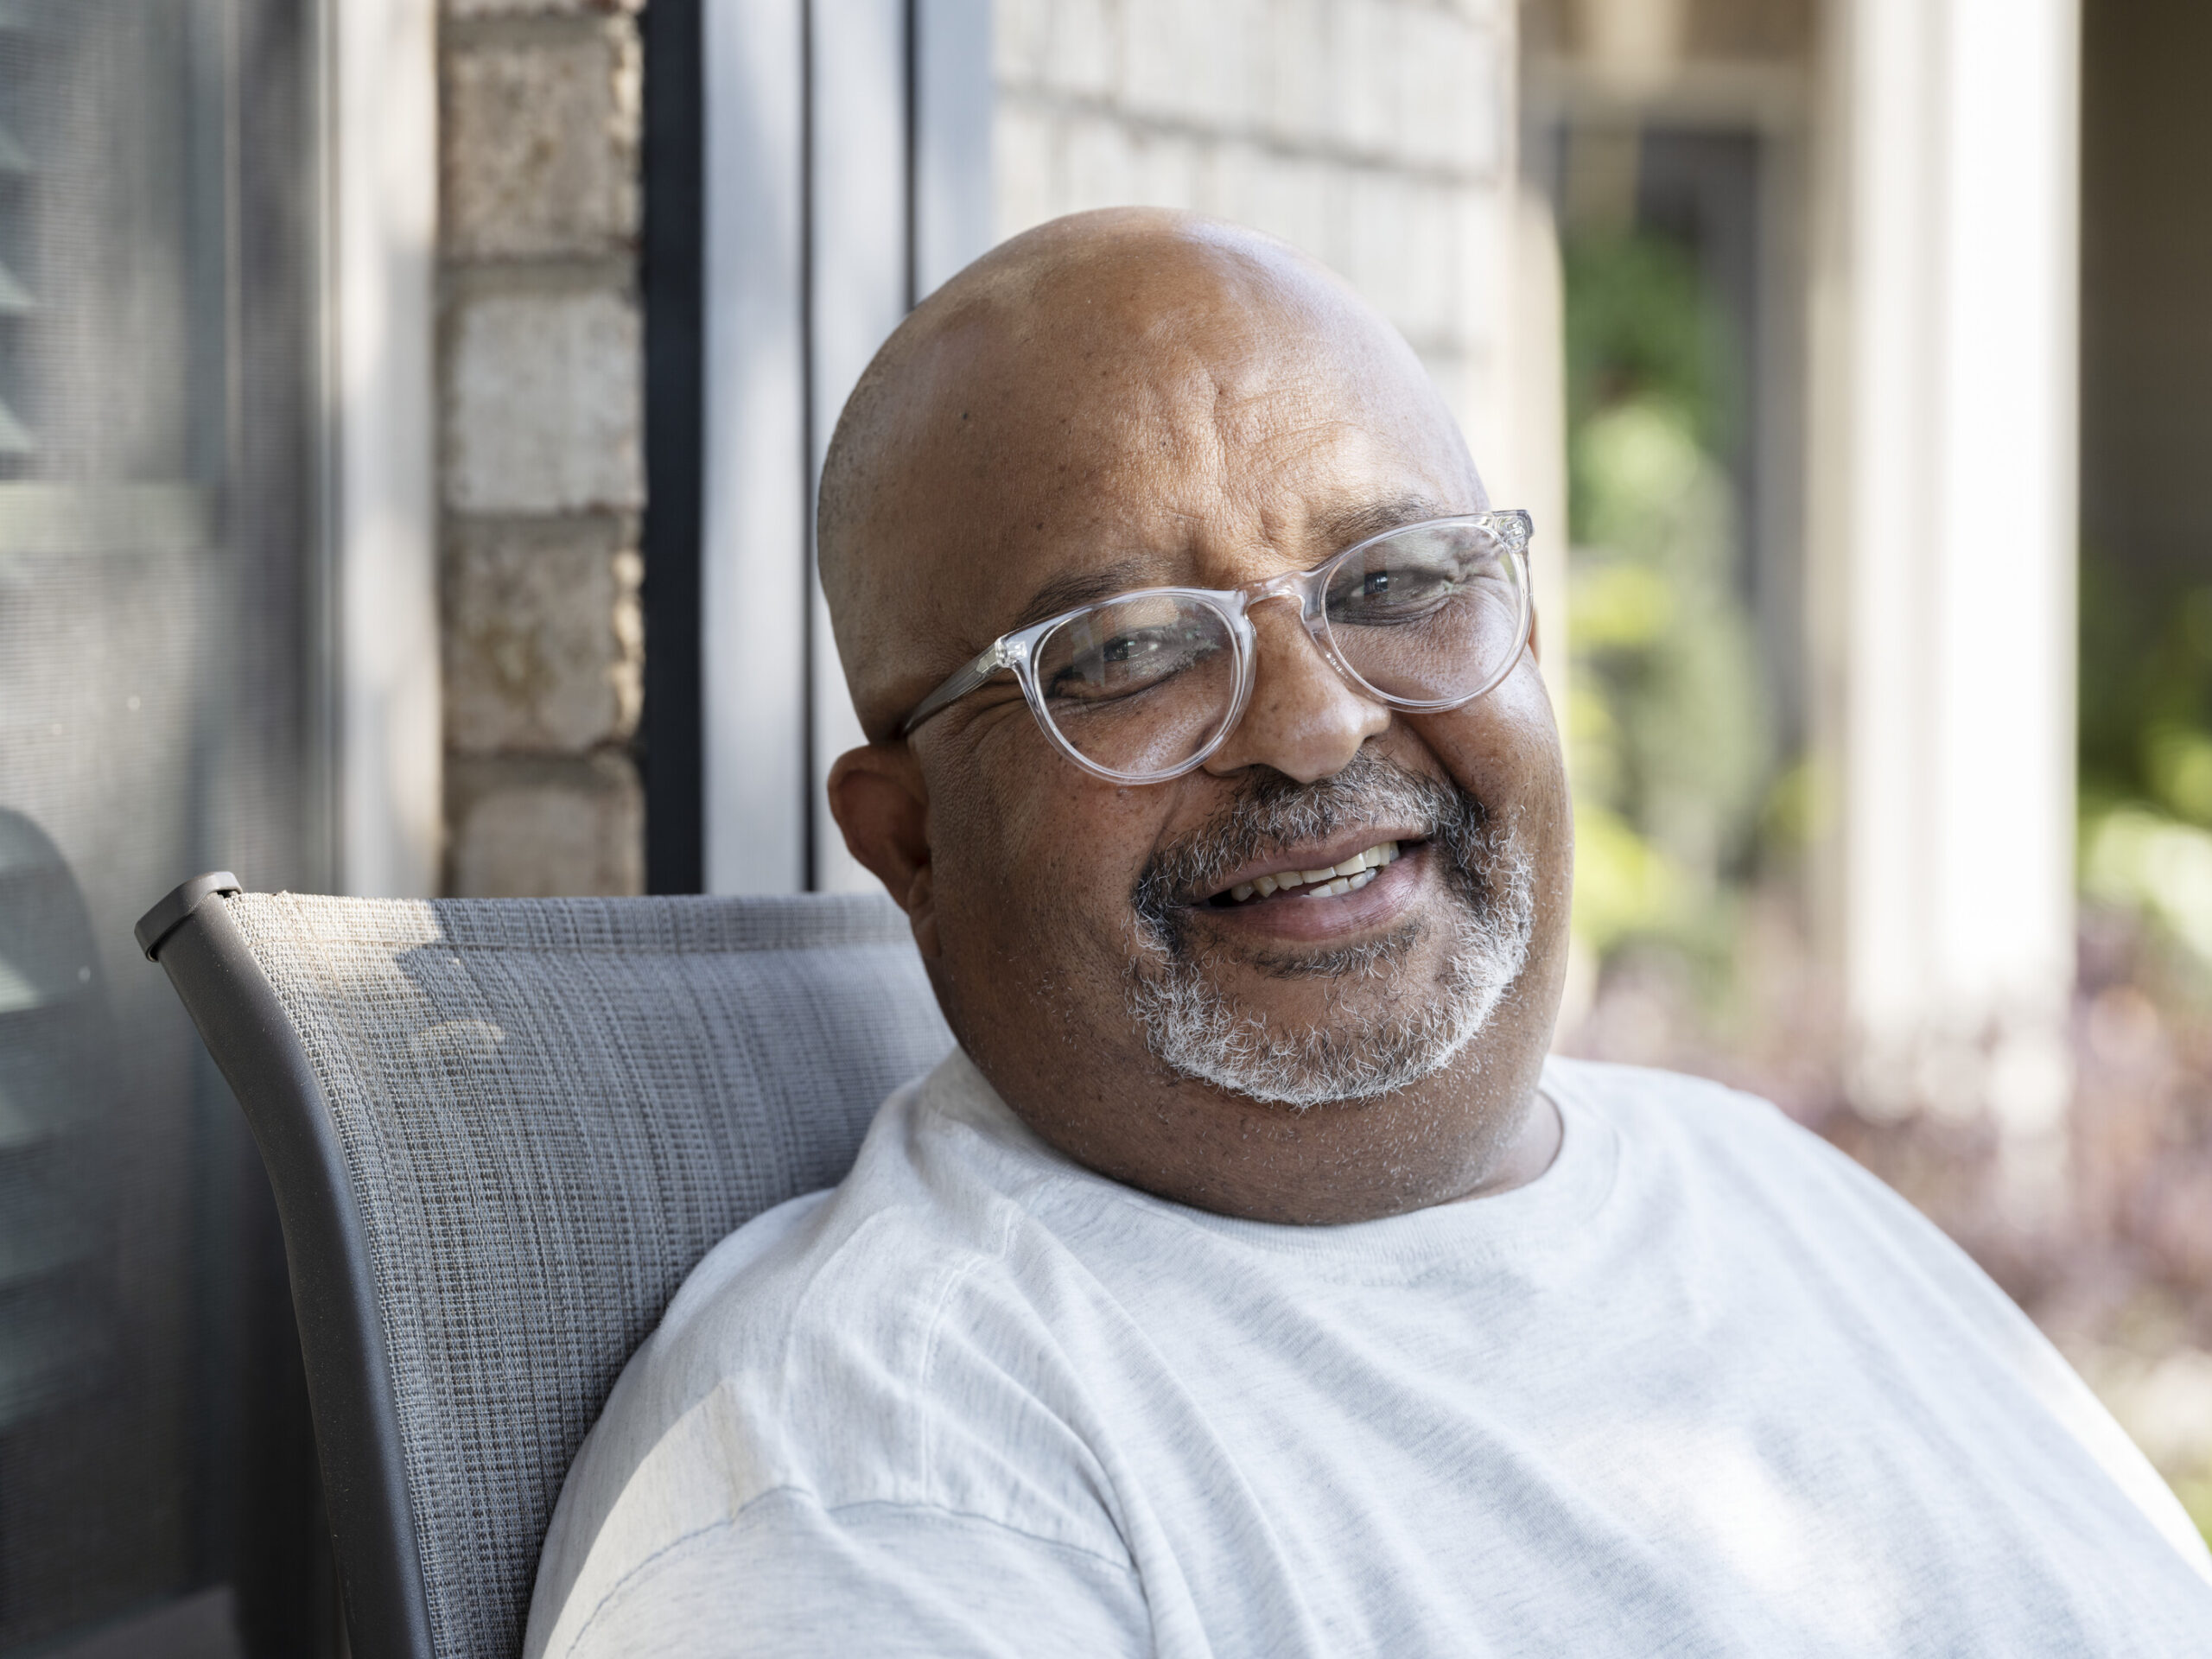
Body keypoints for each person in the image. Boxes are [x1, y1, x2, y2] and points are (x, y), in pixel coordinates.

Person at [524, 209, 2212, 1657]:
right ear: (911, 843)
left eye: (1398, 583)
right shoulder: (880, 1481)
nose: (1317, 724)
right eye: (1123, 651)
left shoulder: (1762, 1186)